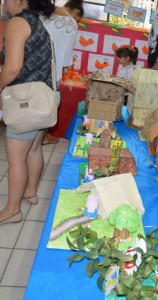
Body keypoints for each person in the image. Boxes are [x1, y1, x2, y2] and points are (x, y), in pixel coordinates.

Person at [0, 0, 55, 224]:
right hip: (41, 102)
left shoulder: (18, 22)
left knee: (16, 158)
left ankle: (13, 210)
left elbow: (12, 67)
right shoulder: (38, 22)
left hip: (24, 104)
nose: (5, 3)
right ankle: (30, 192)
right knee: (33, 150)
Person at [41, 0, 84, 145]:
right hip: (52, 73)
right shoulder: (70, 23)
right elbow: (66, 61)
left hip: (33, 69)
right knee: (47, 107)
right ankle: (42, 137)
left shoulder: (44, 13)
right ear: (76, 13)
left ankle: (38, 137)